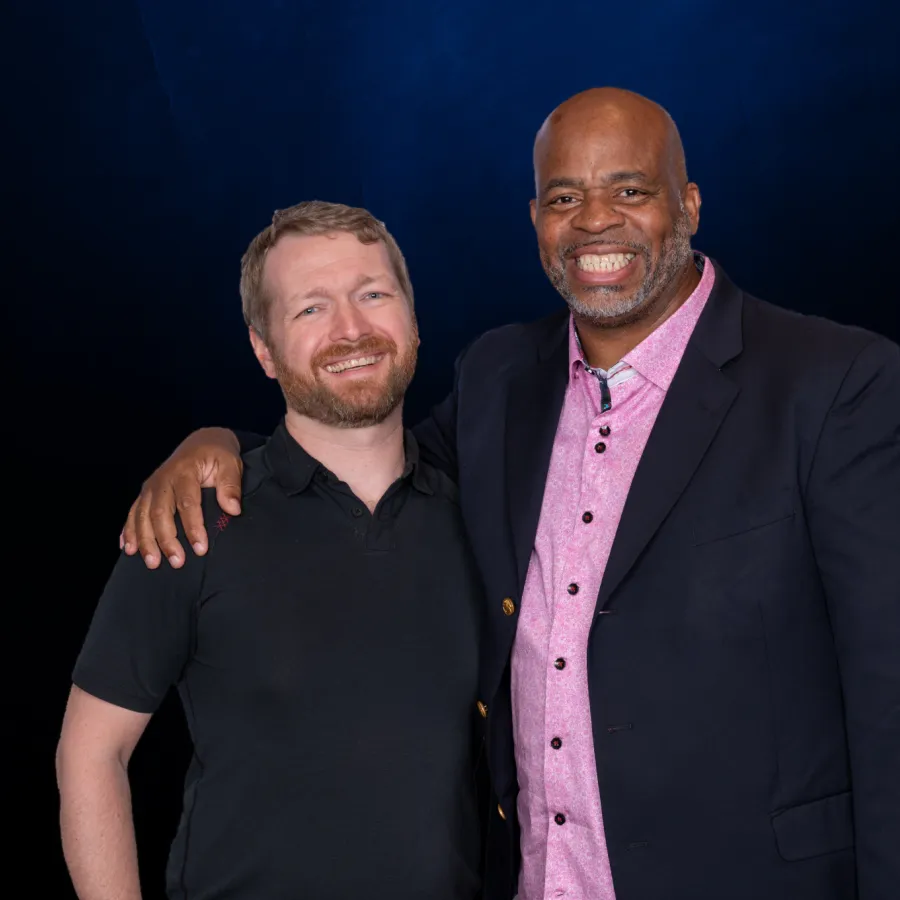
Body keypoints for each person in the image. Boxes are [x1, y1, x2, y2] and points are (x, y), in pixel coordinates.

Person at [119, 89, 900, 900]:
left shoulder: (834, 384)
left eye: (629, 190)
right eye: (566, 198)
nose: (596, 219)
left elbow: (890, 699)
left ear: (689, 203)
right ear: (537, 220)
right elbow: (372, 466)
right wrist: (218, 448)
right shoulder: (499, 378)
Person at [56, 201, 486, 900]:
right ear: (264, 349)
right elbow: (90, 753)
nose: (351, 329)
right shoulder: (194, 520)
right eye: (310, 309)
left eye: (372, 295)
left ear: (412, 318)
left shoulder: (480, 518)